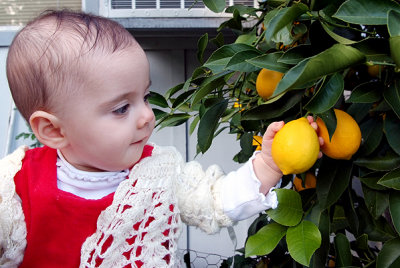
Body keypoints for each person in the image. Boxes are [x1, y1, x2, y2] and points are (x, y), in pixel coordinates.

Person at [0, 10, 322, 268]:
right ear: (54, 130)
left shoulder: (159, 173)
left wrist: (267, 164)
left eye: (144, 96)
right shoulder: (12, 185)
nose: (147, 116)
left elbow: (215, 200)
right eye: (122, 108)